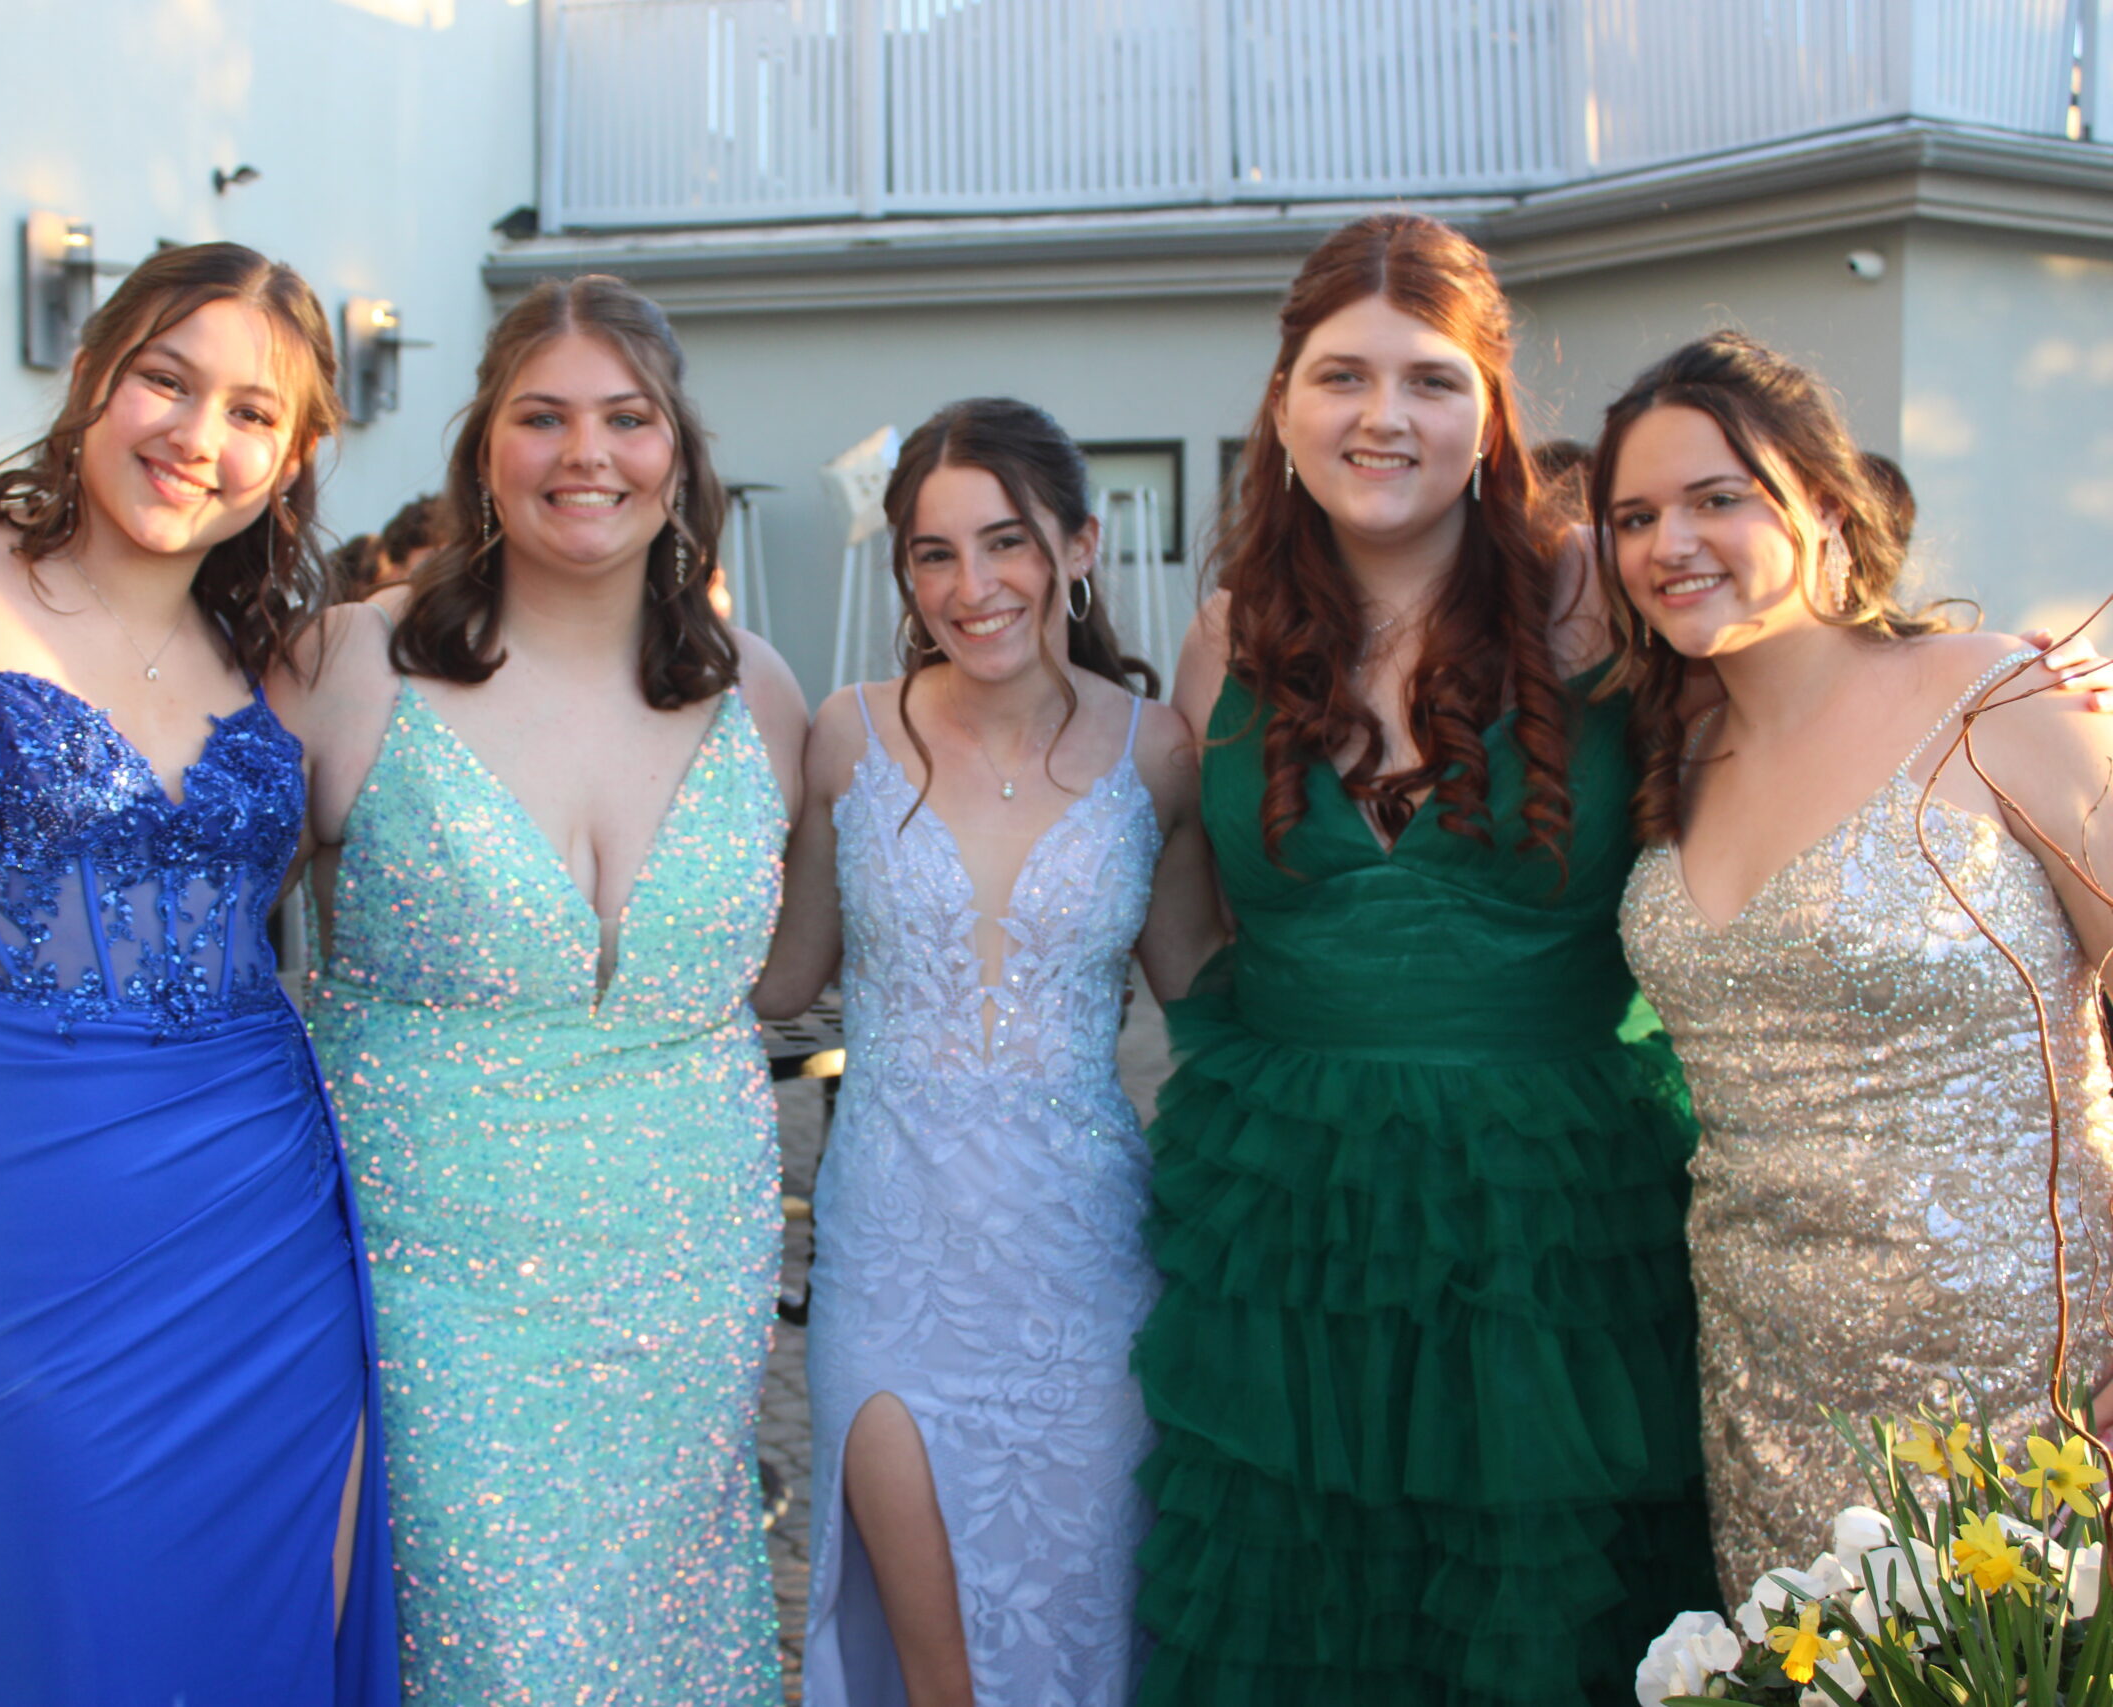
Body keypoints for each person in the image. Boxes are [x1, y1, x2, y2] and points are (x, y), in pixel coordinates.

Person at [1136, 213, 1719, 1706]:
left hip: (1554, 1234)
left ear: (1491, 413)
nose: (1381, 416)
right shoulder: (1224, 640)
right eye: (1342, 375)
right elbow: (1183, 917)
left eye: (1430, 379)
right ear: (1283, 404)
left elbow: (1787, 712)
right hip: (1294, 1231)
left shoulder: (1600, 601)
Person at [0, 243, 397, 1704]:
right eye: (166, 379)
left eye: (252, 413)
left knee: (258, 1617)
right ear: (93, 374)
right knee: (33, 1600)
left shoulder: (279, 657)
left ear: (291, 460)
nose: (197, 435)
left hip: (258, 1212)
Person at [270, 274, 807, 1704]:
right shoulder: (351, 663)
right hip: (427, 1277)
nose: (587, 453)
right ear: (483, 447)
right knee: (477, 1638)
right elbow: (200, 934)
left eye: (627, 418)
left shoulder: (759, 693)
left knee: (664, 1633)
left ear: (678, 450)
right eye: (543, 415)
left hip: (688, 1274)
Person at [1598, 331, 2113, 1594]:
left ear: (1825, 504)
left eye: (1718, 498)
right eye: (1634, 516)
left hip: (2029, 1377)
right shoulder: (1669, 747)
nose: (1670, 543)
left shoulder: (1993, 700)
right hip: (1769, 1384)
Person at [754, 396, 1220, 1706]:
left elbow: (1205, 996)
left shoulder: (1156, 752)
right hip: (891, 1266)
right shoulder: (848, 734)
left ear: (1078, 545)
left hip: (1086, 1269)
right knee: (938, 1672)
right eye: (934, 553)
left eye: (1004, 541)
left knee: (1089, 1644)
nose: (972, 586)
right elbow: (782, 975)